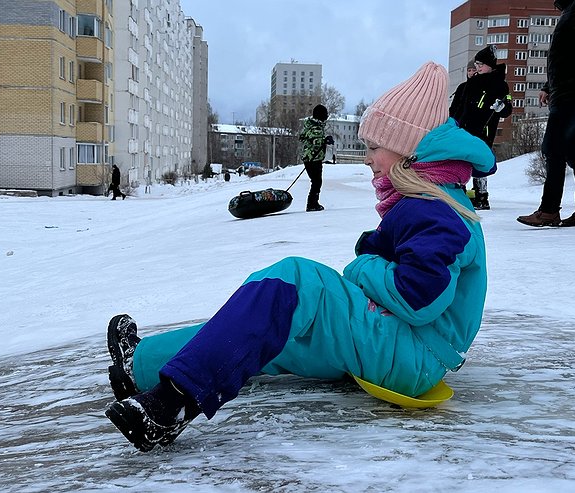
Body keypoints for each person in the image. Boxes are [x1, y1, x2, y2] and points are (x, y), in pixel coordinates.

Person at [103, 62, 496, 452]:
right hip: (402, 348)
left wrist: (365, 265)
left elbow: (418, 297)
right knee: (271, 325)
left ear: (408, 148)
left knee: (294, 281)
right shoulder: (426, 200)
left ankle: (171, 405)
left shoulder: (436, 208)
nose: (367, 159)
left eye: (374, 147)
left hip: (415, 355)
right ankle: (142, 364)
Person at [517, 0, 575, 227]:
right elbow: (568, 55)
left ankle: (549, 210)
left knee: (553, 148)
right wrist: (549, 87)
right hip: (570, 92)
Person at [449, 46, 512, 210]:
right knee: (459, 160)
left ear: (490, 65)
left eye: (480, 65)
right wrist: (451, 123)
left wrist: (502, 107)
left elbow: (507, 107)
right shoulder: (469, 85)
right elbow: (457, 107)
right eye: (474, 66)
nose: (477, 69)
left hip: (484, 132)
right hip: (463, 129)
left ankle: (481, 195)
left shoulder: (500, 85)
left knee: (479, 161)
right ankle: (458, 192)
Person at [299, 104, 329, 212]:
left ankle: (312, 203)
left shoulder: (311, 125)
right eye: (325, 114)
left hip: (311, 157)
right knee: (317, 181)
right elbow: (315, 142)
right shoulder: (316, 127)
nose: (327, 116)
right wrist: (325, 141)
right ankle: (312, 204)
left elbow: (303, 137)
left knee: (316, 181)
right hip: (313, 158)